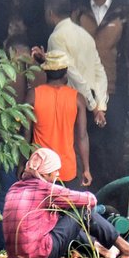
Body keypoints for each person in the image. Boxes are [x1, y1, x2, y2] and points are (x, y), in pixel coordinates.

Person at [2, 148, 129, 258]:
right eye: (55, 170)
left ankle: (105, 251)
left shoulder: (15, 188)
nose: (58, 174)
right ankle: (128, 250)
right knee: (81, 210)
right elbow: (89, 200)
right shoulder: (45, 189)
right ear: (46, 173)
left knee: (66, 215)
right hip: (41, 255)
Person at [77, 0, 129, 186]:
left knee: (115, 133)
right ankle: (95, 185)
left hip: (114, 84)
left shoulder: (122, 12)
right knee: (91, 134)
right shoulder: (80, 11)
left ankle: (114, 185)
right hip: (87, 83)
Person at [39, 0, 108, 130]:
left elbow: (71, 73)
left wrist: (92, 106)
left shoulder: (56, 37)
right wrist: (100, 105)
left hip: (75, 102)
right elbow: (99, 72)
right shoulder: (84, 34)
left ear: (50, 13)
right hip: (92, 99)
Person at [25, 50, 92, 188]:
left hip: (41, 170)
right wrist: (86, 169)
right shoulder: (77, 98)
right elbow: (82, 136)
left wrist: (22, 165)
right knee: (66, 208)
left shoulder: (33, 96)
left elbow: (25, 134)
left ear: (45, 71)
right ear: (65, 71)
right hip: (67, 169)